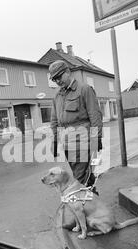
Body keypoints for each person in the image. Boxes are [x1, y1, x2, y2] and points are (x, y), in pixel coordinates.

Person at [49, 60, 103, 194]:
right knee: (85, 179)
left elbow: (95, 117)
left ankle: (82, 209)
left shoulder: (85, 89)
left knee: (79, 181)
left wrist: (96, 142)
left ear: (68, 72)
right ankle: (92, 205)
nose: (58, 81)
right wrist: (54, 142)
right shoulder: (57, 96)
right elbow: (54, 121)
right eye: (54, 79)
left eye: (59, 77)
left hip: (83, 144)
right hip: (68, 145)